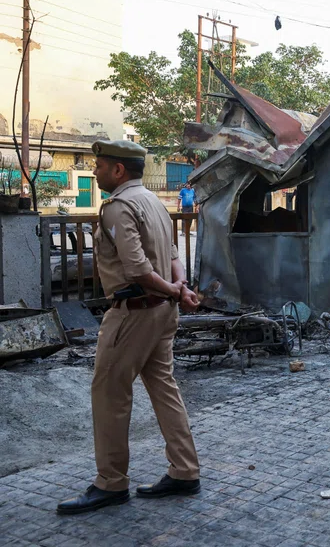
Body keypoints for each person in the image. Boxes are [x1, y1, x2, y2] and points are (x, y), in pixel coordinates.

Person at [57, 140, 202, 516]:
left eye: (100, 166)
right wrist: (180, 289)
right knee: (164, 388)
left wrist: (173, 289)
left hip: (134, 312)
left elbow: (137, 268)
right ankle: (185, 470)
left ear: (119, 170)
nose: (95, 172)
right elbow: (174, 257)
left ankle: (110, 483)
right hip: (162, 313)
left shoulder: (119, 207)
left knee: (109, 393)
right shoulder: (154, 202)